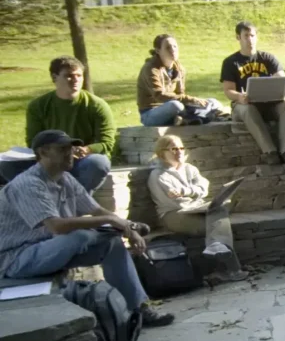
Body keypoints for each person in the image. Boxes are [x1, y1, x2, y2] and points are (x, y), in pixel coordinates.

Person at [0, 130, 173, 327]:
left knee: (112, 244)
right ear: (44, 152)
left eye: (71, 148)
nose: (70, 153)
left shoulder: (65, 178)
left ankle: (139, 309)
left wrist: (127, 227)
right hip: (15, 260)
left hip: (49, 248)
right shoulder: (28, 184)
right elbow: (57, 226)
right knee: (80, 236)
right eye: (63, 149)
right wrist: (111, 222)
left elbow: (96, 209)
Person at [1, 56, 114, 193]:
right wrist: (54, 153)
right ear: (54, 78)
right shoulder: (38, 106)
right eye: (69, 76)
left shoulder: (97, 105)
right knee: (6, 165)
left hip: (81, 160)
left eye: (79, 75)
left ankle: (74, 200)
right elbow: (33, 141)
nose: (75, 80)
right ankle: (41, 197)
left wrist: (85, 149)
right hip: (49, 158)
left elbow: (106, 142)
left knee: (98, 163)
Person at [147, 134, 248, 283]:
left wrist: (188, 193)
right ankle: (231, 269)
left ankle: (219, 251)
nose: (179, 152)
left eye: (181, 148)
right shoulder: (158, 175)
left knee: (220, 209)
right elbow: (177, 202)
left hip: (194, 208)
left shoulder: (190, 169)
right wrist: (192, 195)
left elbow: (203, 188)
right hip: (173, 215)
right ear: (162, 153)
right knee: (217, 224)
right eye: (173, 149)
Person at [220, 21, 285, 165]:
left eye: (252, 35)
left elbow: (282, 79)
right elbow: (228, 90)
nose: (250, 39)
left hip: (271, 103)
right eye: (246, 36)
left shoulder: (268, 58)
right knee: (248, 109)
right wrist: (239, 96)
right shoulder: (231, 62)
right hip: (244, 105)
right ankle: (270, 152)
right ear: (238, 37)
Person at [138, 34, 223, 127]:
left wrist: (195, 102)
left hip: (178, 109)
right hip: (151, 113)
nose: (173, 50)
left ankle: (188, 119)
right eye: (168, 47)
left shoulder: (179, 68)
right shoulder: (151, 69)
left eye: (175, 46)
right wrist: (191, 100)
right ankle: (198, 118)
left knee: (213, 102)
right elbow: (159, 96)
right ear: (158, 51)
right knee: (176, 105)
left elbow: (180, 93)